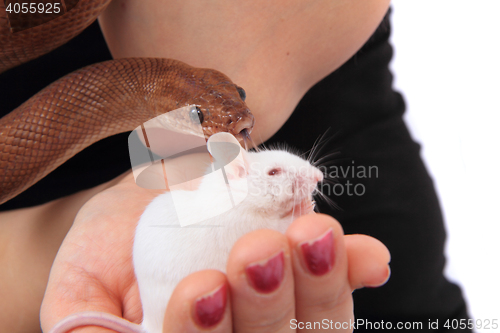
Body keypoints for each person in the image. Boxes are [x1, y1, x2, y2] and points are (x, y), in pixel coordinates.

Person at [0, 1, 470, 332]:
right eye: (207, 118)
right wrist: (141, 230)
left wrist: (156, 205)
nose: (239, 121)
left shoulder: (201, 107)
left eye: (236, 102)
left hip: (381, 271)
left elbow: (228, 113)